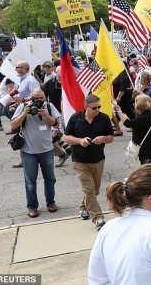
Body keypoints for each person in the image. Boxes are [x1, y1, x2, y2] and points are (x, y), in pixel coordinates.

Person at [64, 94, 115, 231]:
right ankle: (98, 218)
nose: (97, 109)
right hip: (80, 161)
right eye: (94, 108)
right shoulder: (76, 118)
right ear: (86, 107)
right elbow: (66, 137)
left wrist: (103, 138)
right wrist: (80, 141)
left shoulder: (103, 118)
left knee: (95, 190)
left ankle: (83, 207)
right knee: (89, 189)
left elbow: (111, 137)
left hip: (98, 159)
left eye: (99, 107)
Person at [11, 89, 61, 218]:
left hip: (47, 150)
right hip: (29, 152)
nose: (39, 101)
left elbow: (56, 123)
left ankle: (51, 203)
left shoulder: (49, 106)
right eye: (36, 98)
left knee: (50, 179)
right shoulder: (23, 107)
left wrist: (45, 115)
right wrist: (23, 114)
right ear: (30, 98)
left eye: (41, 98)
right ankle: (32, 207)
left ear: (45, 98)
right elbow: (12, 126)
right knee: (30, 182)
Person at [114, 94, 151, 165]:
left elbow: (128, 123)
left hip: (148, 148)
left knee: (148, 168)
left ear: (139, 105)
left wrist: (119, 111)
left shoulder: (144, 117)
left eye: (135, 103)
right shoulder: (150, 114)